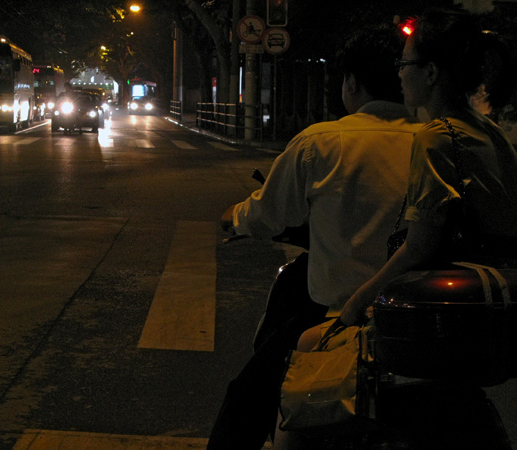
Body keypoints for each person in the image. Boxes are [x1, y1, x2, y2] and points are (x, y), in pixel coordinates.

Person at [208, 23, 422, 450]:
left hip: (340, 315)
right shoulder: (436, 142)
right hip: (422, 318)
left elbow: (268, 213)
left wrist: (234, 218)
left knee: (247, 397)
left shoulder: (321, 142)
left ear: (351, 82)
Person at [340, 8, 517, 327]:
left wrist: (357, 300)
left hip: (456, 310)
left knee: (309, 344)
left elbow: (419, 247)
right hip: (496, 299)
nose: (399, 74)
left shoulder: (437, 137)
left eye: (404, 64)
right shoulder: (489, 131)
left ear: (431, 72)